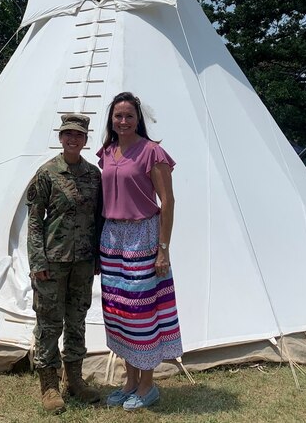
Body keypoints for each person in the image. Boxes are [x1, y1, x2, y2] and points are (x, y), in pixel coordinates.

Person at [97, 91, 182, 410]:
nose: (123, 121)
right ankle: (129, 380)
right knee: (119, 312)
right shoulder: (105, 152)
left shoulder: (153, 153)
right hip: (112, 238)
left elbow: (168, 202)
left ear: (138, 119)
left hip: (142, 236)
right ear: (111, 120)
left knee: (142, 313)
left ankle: (147, 385)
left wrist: (164, 248)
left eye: (129, 115)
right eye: (118, 116)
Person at [26, 113, 102, 413]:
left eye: (79, 135)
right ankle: (48, 386)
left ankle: (75, 381)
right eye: (68, 134)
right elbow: (34, 222)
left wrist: (95, 256)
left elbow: (98, 219)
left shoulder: (93, 175)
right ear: (60, 137)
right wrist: (37, 260)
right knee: (48, 322)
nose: (73, 139)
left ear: (85, 140)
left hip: (82, 261)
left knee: (77, 320)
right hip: (52, 261)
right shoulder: (46, 174)